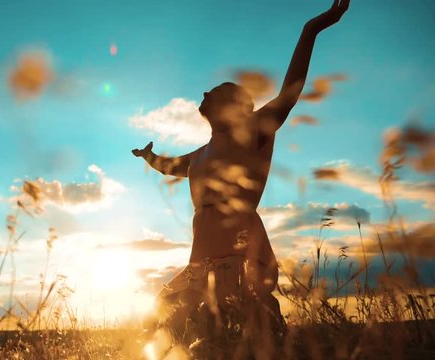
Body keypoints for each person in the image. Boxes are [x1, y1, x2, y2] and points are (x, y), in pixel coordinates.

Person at [132, 0, 350, 347]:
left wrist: (312, 29)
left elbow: (290, 93)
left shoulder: (251, 132)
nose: (205, 92)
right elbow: (172, 167)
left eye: (215, 91)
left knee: (243, 327)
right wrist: (150, 157)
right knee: (170, 316)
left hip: (239, 248)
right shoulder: (202, 154)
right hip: (203, 252)